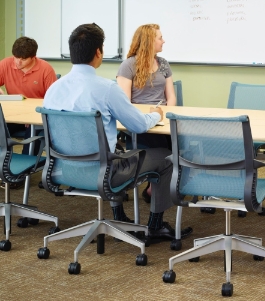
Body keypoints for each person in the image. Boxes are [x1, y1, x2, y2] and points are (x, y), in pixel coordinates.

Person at [43, 23, 191, 242]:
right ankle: (155, 226)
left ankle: (119, 216)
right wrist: (157, 116)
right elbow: (138, 125)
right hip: (105, 172)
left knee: (116, 149)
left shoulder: (53, 89)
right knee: (166, 157)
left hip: (64, 170)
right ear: (98, 53)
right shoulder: (106, 88)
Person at [116, 24, 176, 204]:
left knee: (179, 141)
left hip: (161, 117)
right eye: (160, 37)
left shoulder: (163, 63)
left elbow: (171, 96)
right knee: (163, 146)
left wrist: (165, 114)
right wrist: (148, 118)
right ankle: (155, 186)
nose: (163, 40)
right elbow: (124, 102)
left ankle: (159, 184)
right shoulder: (128, 65)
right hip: (139, 120)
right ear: (149, 41)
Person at [0, 36, 57, 155]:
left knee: (33, 128)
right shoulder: (5, 64)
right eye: (16, 57)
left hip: (36, 118)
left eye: (23, 59)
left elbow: (54, 100)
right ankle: (4, 162)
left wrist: (32, 115)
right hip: (14, 116)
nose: (17, 62)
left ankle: (26, 169)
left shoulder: (46, 69)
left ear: (33, 57)